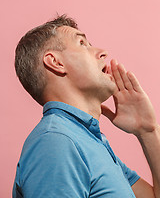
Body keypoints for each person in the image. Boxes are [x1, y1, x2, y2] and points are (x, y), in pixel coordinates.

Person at [13, 14, 160, 198]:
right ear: (56, 62)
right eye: (82, 44)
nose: (103, 52)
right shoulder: (57, 142)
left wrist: (148, 130)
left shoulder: (89, 141)